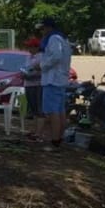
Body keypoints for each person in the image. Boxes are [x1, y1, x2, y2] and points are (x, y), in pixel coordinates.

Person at [38, 17, 72, 148]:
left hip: (52, 79)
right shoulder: (63, 39)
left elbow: (56, 57)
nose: (41, 31)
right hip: (60, 79)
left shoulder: (53, 39)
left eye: (42, 28)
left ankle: (55, 139)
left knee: (53, 112)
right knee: (59, 110)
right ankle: (59, 137)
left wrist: (41, 65)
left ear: (48, 27)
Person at [20, 37, 44, 142]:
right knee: (33, 109)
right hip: (28, 84)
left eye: (30, 46)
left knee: (39, 109)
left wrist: (31, 74)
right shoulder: (28, 57)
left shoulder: (41, 57)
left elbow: (42, 72)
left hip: (37, 85)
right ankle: (35, 130)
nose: (28, 48)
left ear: (36, 47)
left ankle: (39, 133)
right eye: (28, 46)